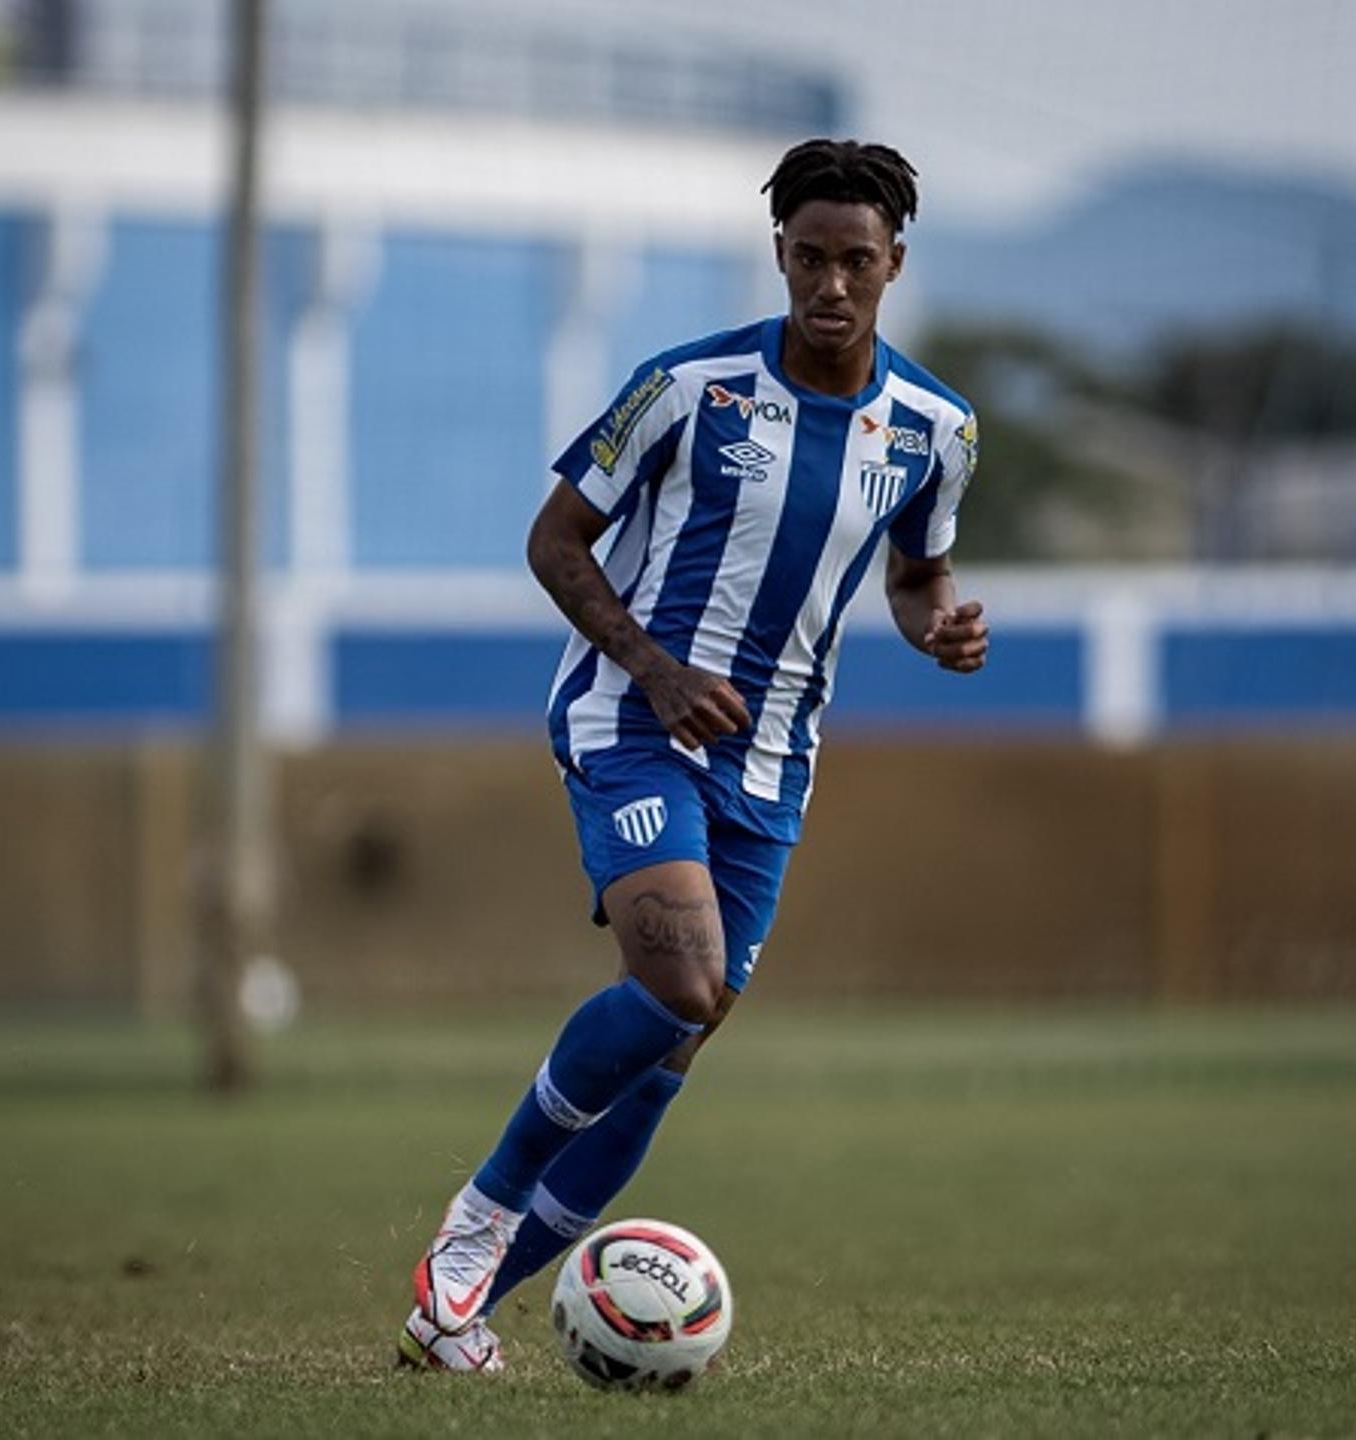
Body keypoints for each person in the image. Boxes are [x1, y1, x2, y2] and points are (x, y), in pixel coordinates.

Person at [399, 137, 988, 1372]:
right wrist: (654, 668)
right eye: (810, 259)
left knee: (670, 1055)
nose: (832, 286)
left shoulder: (937, 427)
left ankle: (456, 1311)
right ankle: (477, 1217)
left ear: (896, 265)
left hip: (774, 763)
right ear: (779, 252)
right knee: (678, 984)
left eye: (858, 264)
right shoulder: (684, 387)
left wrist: (942, 626)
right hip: (632, 720)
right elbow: (555, 541)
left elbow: (917, 574)